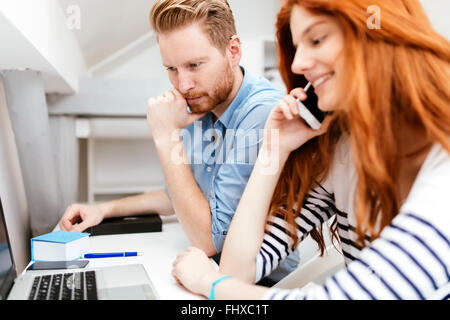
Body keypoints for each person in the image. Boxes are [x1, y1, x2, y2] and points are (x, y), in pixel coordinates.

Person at [172, 0, 450, 299]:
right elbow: (239, 268)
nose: (297, 65)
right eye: (297, 46)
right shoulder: (342, 154)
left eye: (316, 39)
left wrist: (209, 283)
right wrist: (273, 150)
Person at [58, 0, 299, 281]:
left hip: (260, 286)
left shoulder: (261, 113)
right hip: (209, 271)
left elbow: (208, 240)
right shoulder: (204, 102)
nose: (182, 85)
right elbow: (181, 194)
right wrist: (103, 209)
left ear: (233, 51)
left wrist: (167, 136)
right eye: (171, 68)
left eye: (194, 65)